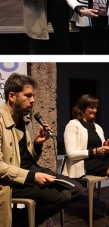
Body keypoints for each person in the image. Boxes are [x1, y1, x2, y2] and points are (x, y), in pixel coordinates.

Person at [0, 73, 83, 227]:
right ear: (12, 96)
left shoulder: (24, 120)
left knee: (77, 190)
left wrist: (37, 143)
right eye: (28, 96)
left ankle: (21, 221)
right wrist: (33, 176)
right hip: (10, 181)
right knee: (63, 196)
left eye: (33, 96)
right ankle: (22, 222)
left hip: (30, 171)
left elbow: (27, 157)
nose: (33, 100)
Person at [63, 94, 109, 227]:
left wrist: (107, 145)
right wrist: (94, 151)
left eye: (96, 108)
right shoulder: (73, 124)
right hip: (83, 162)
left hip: (99, 159)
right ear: (82, 108)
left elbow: (100, 146)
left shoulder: (97, 127)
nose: (94, 110)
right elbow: (70, 153)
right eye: (91, 107)